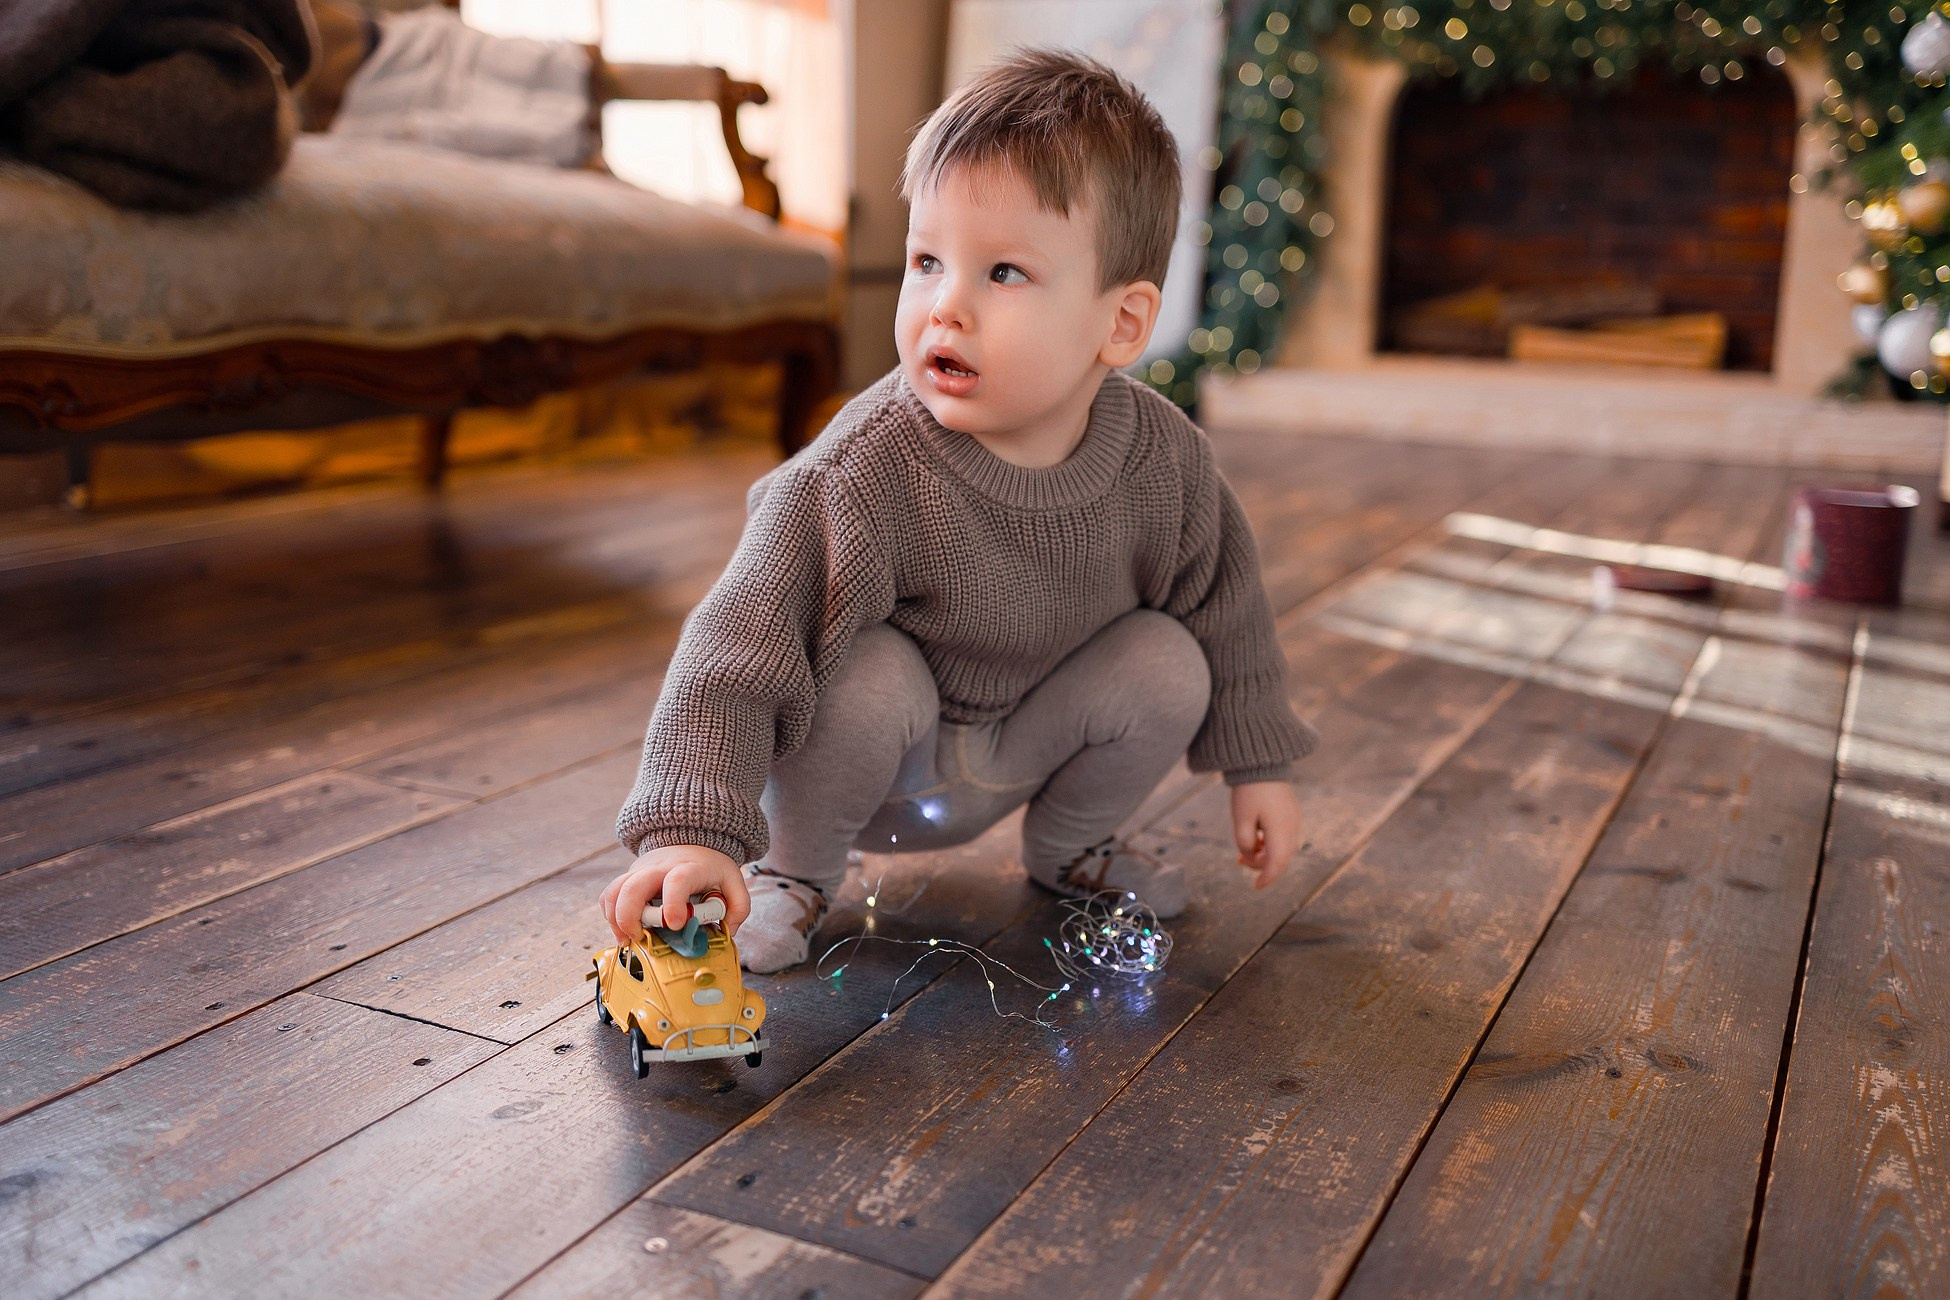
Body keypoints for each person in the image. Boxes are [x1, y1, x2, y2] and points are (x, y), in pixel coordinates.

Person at [600, 48, 1318, 972]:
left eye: (1004, 273)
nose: (947, 307)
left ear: (1122, 324)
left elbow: (1232, 613)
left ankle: (1072, 848)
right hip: (877, 772)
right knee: (867, 666)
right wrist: (688, 831)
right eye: (927, 260)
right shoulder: (866, 465)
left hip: (1023, 750)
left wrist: (1261, 768)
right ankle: (797, 875)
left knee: (1170, 660)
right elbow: (737, 646)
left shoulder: (1165, 461)